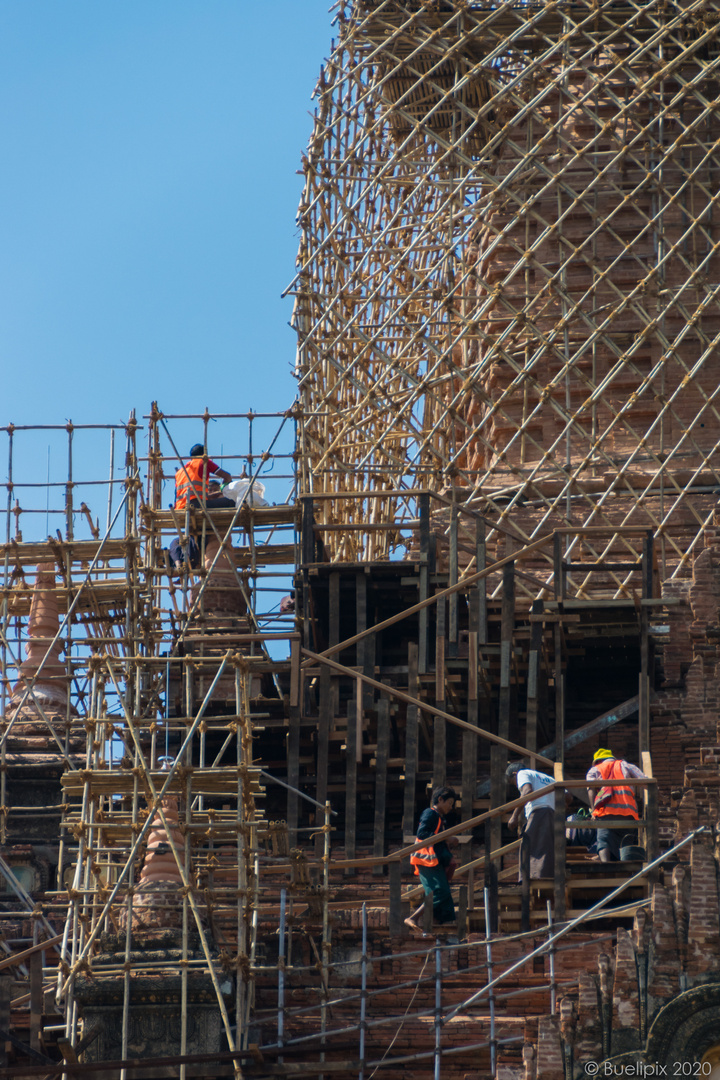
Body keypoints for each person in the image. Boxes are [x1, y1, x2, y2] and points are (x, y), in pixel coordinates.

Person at [404, 786, 458, 935]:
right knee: (439, 891)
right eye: (449, 803)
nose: (450, 807)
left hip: (433, 860)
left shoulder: (440, 818)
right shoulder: (430, 813)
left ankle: (435, 929)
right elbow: (422, 833)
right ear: (440, 799)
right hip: (426, 859)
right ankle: (413, 918)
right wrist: (447, 837)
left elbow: (435, 837)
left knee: (445, 895)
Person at [586, 748, 645, 862]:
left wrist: (594, 810)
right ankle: (627, 868)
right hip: (629, 813)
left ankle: (606, 866)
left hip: (606, 813)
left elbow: (590, 789)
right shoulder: (626, 765)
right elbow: (644, 780)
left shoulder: (594, 769)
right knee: (626, 840)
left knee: (604, 839)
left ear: (598, 761)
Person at [506, 762, 555, 879]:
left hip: (539, 813)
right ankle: (545, 877)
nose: (517, 786)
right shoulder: (550, 778)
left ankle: (528, 880)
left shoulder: (522, 773)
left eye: (513, 782)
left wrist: (514, 816)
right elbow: (568, 797)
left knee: (528, 846)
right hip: (553, 815)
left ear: (514, 774)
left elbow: (527, 791)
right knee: (546, 848)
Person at [174, 444, 234, 510]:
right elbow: (227, 476)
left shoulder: (179, 472)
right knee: (231, 502)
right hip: (196, 504)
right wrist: (222, 489)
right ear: (204, 455)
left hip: (180, 507)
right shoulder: (203, 462)